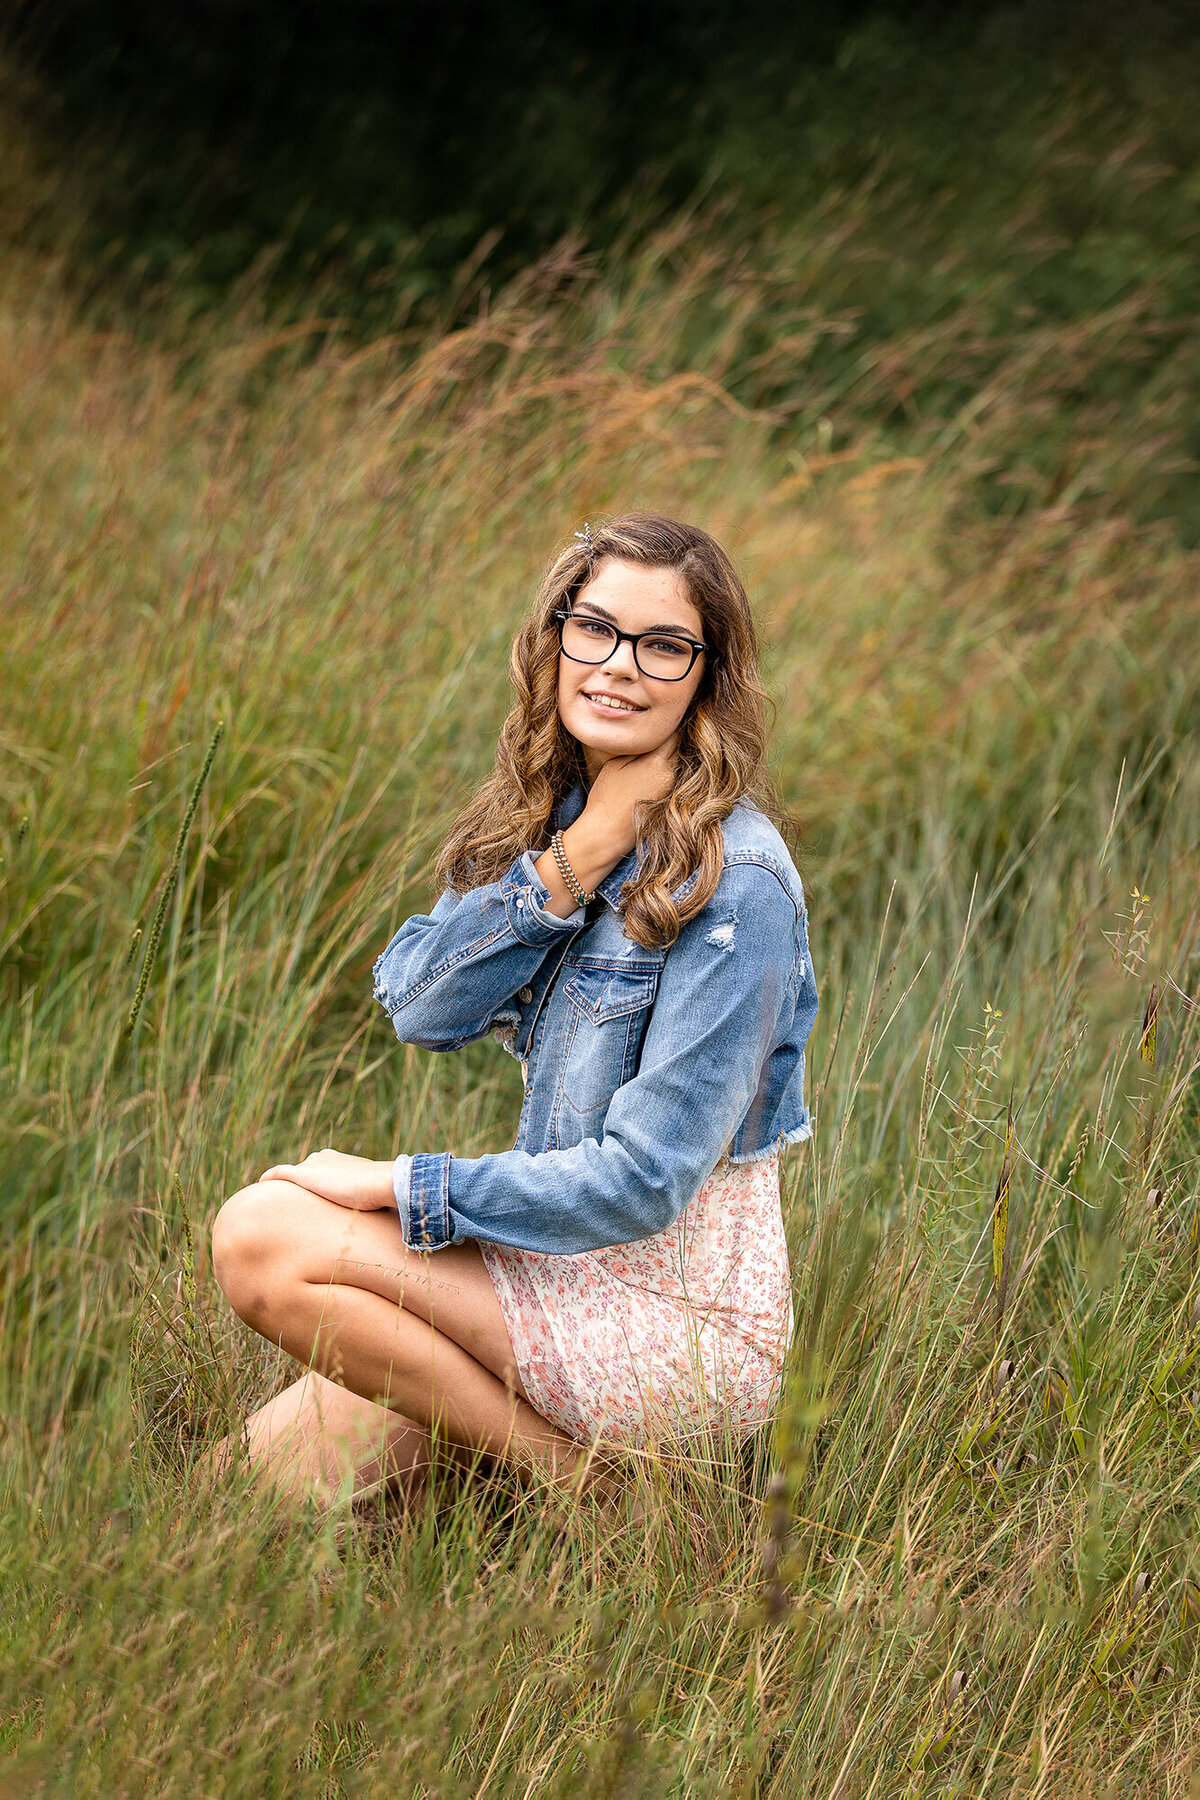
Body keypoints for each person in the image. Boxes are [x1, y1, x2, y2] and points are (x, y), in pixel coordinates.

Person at [210, 513, 818, 1506]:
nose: (619, 667)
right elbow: (419, 1005)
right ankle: (546, 1473)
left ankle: (582, 1493)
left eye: (664, 646)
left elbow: (642, 1185)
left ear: (707, 677)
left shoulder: (735, 881)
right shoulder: (554, 823)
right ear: (558, 635)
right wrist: (582, 855)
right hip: (553, 1273)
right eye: (596, 630)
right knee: (243, 1495)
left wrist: (400, 1184)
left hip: (677, 1317)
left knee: (262, 1232)